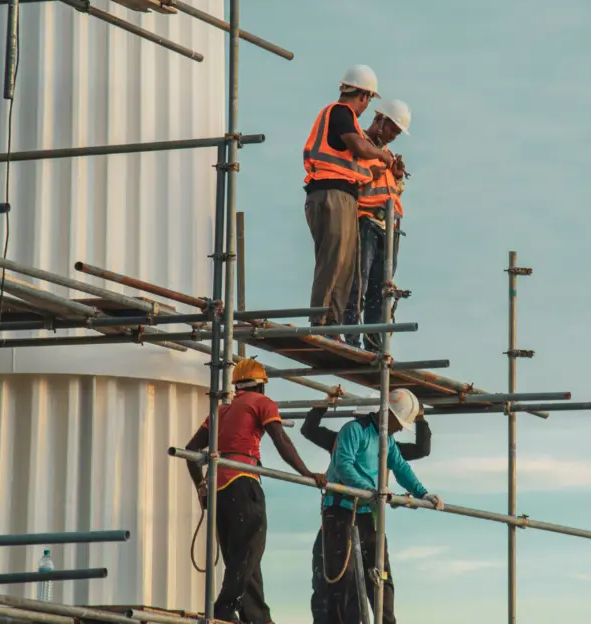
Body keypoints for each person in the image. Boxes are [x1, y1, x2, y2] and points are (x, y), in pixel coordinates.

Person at [184, 357, 327, 624]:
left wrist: (201, 487)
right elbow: (280, 439)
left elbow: (191, 452)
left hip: (218, 488)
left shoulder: (221, 411)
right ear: (261, 386)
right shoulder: (261, 403)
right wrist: (307, 473)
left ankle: (256, 616)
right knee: (249, 551)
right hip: (242, 480)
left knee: (241, 556)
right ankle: (223, 610)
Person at [301, 388, 432, 624]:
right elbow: (343, 465)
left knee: (381, 575)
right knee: (344, 580)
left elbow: (401, 468)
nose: (401, 428)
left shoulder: (387, 440)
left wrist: (423, 493)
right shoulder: (354, 431)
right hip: (341, 512)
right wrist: (369, 491)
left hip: (366, 513)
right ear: (388, 414)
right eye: (400, 422)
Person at [303, 65, 395, 332]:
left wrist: (378, 169)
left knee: (345, 265)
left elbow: (353, 163)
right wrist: (382, 155)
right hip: (330, 195)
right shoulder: (340, 112)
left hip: (340, 195)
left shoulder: (344, 120)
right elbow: (358, 146)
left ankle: (333, 323)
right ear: (364, 95)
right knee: (333, 260)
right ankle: (321, 320)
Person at [342, 99, 411, 352]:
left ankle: (373, 345)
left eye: (397, 132)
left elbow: (394, 191)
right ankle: (350, 338)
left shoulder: (388, 156)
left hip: (387, 227)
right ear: (379, 120)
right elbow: (352, 178)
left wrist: (399, 176)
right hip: (365, 221)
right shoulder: (359, 143)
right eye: (392, 129)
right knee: (357, 283)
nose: (393, 136)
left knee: (380, 291)